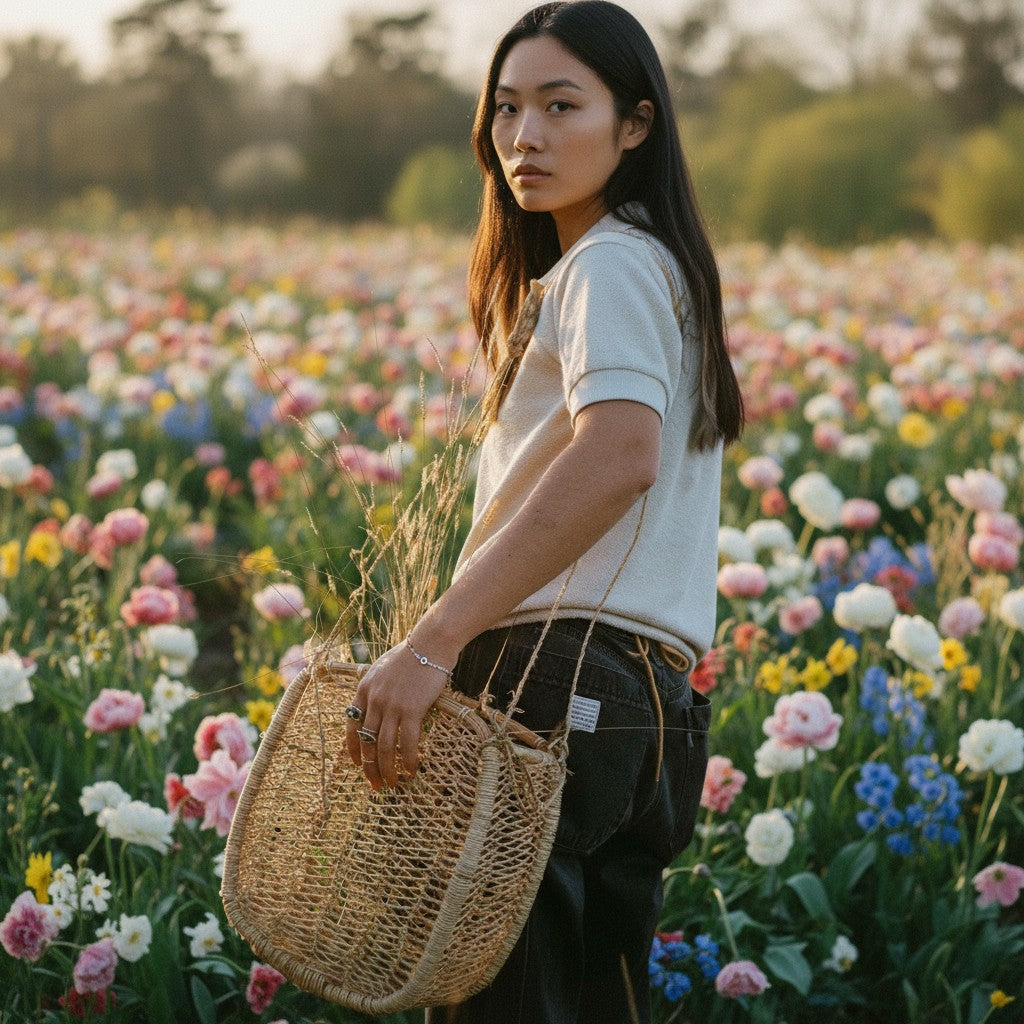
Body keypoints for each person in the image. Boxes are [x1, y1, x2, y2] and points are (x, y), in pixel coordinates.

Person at [344, 2, 743, 1021]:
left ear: (635, 125)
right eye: (507, 109)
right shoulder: (655, 264)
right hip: (648, 703)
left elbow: (619, 454)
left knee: (501, 1002)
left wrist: (432, 643)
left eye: (561, 106)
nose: (524, 137)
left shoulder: (605, 263)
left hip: (556, 678)